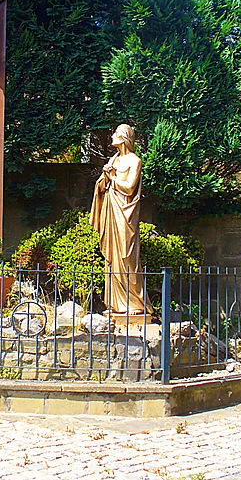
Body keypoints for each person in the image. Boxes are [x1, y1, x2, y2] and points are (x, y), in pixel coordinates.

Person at [90, 124, 152, 330]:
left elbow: (130, 188)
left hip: (126, 214)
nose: (112, 136)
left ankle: (135, 303)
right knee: (112, 258)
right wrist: (105, 178)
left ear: (125, 138)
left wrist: (113, 177)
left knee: (127, 256)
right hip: (111, 210)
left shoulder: (135, 161)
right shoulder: (113, 160)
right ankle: (116, 304)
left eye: (116, 134)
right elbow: (101, 185)